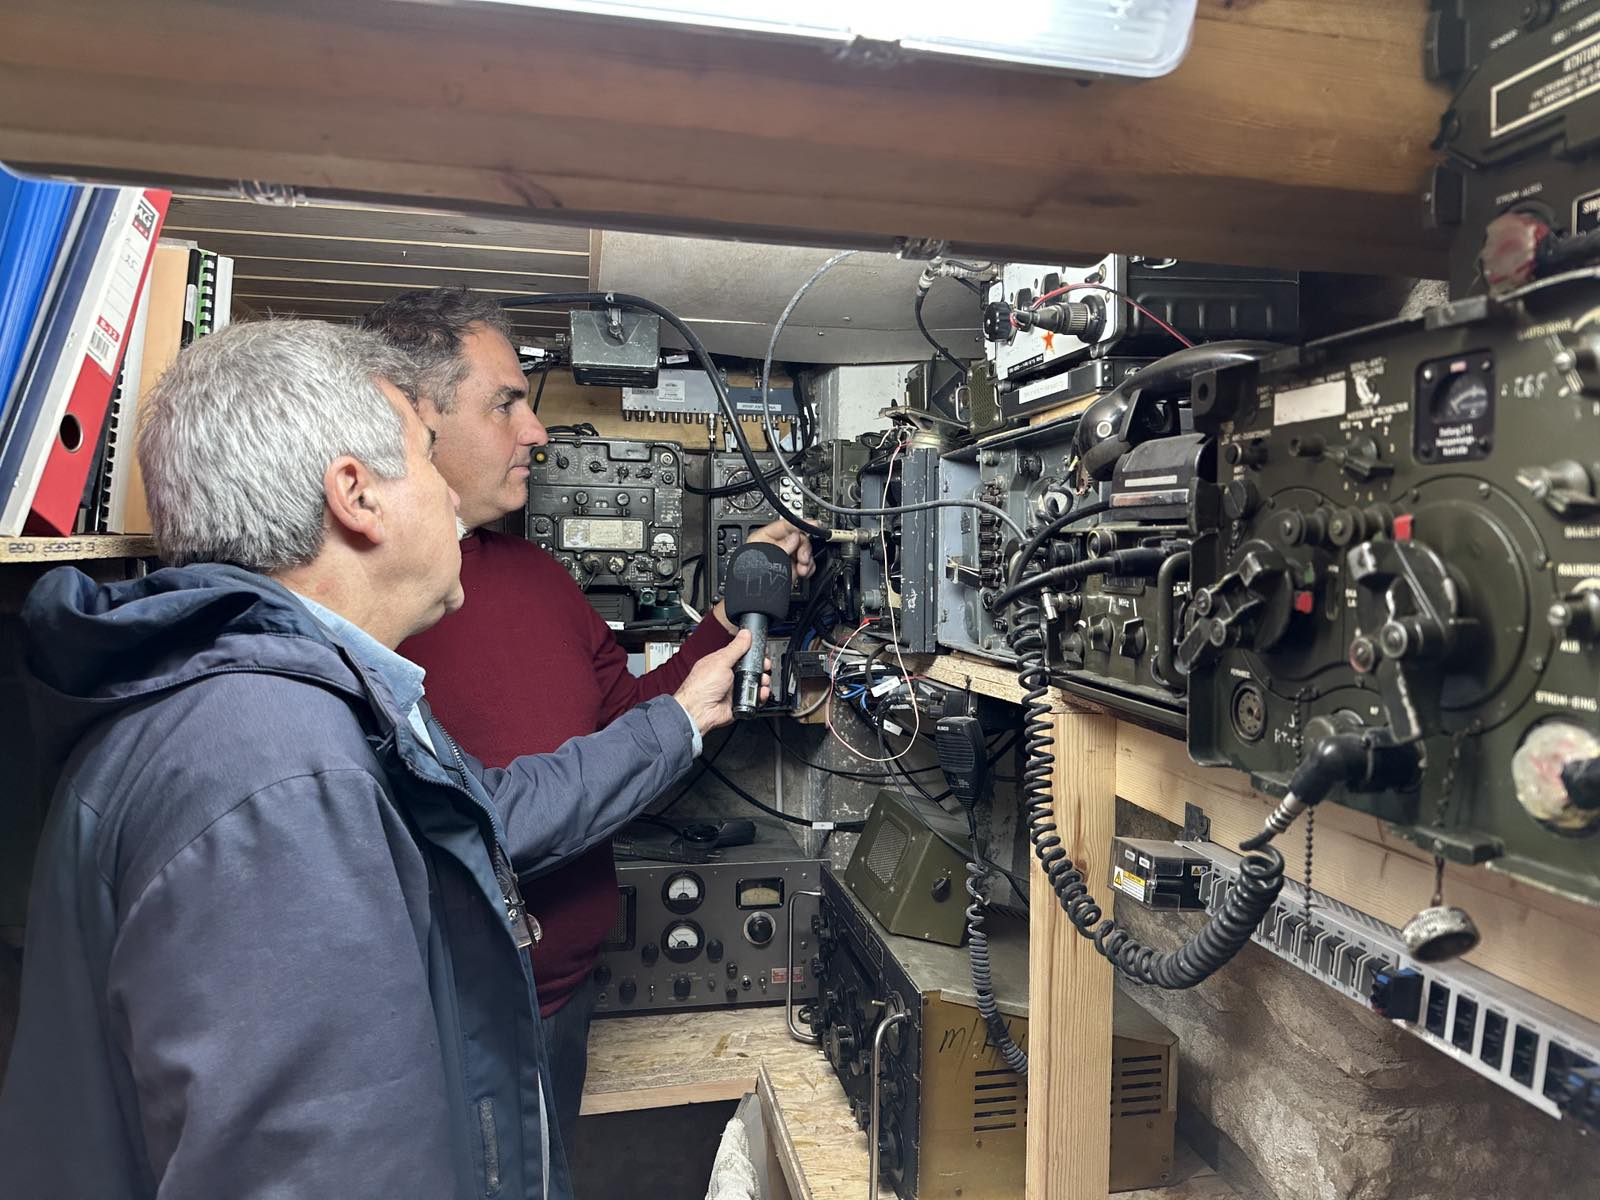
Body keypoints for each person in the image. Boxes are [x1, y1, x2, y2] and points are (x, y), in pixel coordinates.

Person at [0, 320, 766, 1200]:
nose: (449, 498)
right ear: (356, 495)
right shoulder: (275, 772)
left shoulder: (266, 707)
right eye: (428, 458)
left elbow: (478, 805)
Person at [360, 287, 813, 1140]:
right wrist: (677, 719)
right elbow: (481, 821)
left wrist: (731, 614)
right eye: (506, 404)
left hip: (563, 1000)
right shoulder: (372, 608)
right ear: (413, 415)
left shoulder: (535, 576)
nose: (536, 431)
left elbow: (623, 717)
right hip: (446, 1023)